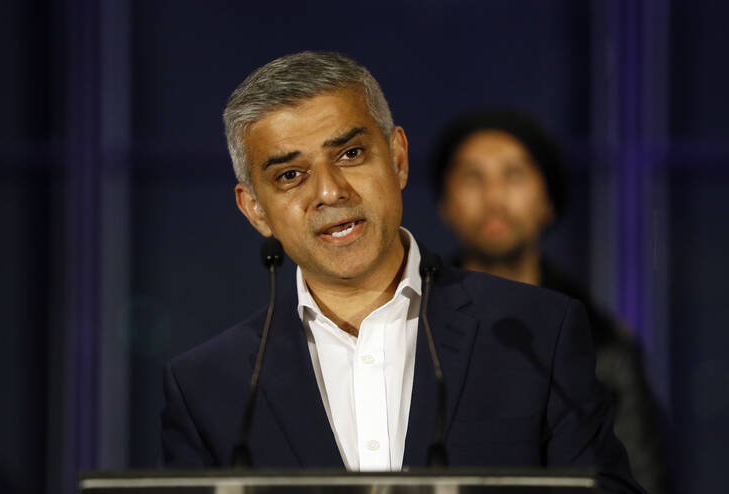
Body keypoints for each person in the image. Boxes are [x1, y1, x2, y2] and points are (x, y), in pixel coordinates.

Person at [160, 51, 644, 493]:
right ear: (255, 210)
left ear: (397, 159)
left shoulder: (538, 332)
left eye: (350, 154)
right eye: (290, 175)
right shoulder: (207, 387)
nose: (330, 192)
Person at [431, 109, 665, 494]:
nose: (493, 197)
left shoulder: (602, 345)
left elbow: (639, 480)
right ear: (445, 205)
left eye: (514, 175)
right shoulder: (408, 326)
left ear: (548, 202)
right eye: (472, 177)